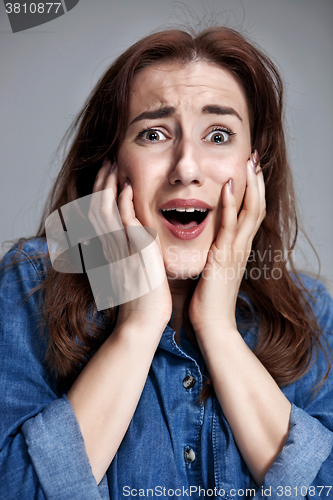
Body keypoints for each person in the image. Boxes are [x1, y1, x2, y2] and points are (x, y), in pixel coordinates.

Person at [0, 27, 332, 500]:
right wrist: (139, 323)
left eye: (219, 135)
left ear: (253, 168)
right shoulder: (30, 282)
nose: (186, 167)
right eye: (153, 134)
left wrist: (217, 326)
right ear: (110, 163)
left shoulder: (311, 311)